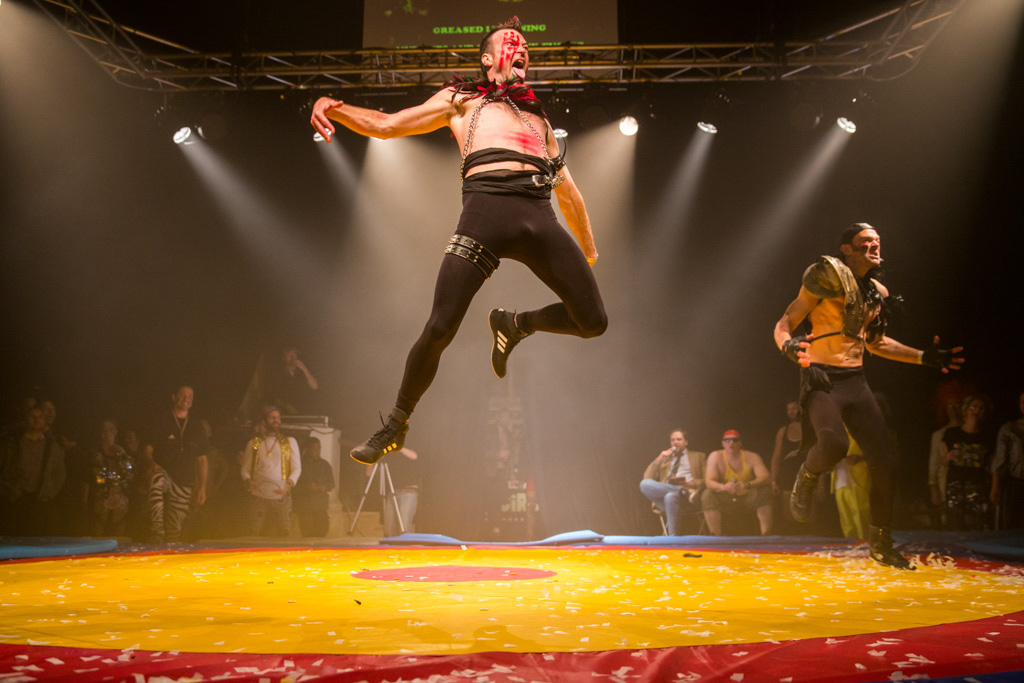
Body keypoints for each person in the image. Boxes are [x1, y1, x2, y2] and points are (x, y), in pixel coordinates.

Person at [311, 16, 607, 465]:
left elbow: (568, 190)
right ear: (487, 59)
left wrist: (587, 249)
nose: (522, 50)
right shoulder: (461, 100)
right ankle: (395, 426)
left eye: (526, 48)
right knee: (439, 327)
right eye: (512, 44)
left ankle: (516, 324)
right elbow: (387, 125)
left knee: (593, 321)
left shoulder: (537, 117)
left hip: (537, 215)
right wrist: (333, 107)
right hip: (484, 214)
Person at [773, 222, 964, 569]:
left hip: (855, 381)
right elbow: (785, 322)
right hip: (822, 378)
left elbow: (877, 344)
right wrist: (788, 345)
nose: (875, 245)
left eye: (877, 241)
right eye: (866, 241)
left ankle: (881, 544)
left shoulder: (877, 292)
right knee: (834, 445)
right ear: (846, 248)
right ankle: (808, 474)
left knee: (886, 462)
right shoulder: (825, 278)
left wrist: (923, 357)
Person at [145, 385, 209, 543]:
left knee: (174, 530)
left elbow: (202, 459)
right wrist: (151, 462)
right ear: (174, 397)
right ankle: (157, 528)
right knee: (157, 480)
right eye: (183, 395)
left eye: (190, 396)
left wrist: (202, 487)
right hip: (165, 472)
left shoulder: (196, 425)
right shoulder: (162, 420)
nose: (187, 398)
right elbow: (148, 448)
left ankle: (169, 547)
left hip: (184, 480)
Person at [0, 406, 66, 536]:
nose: (36, 420)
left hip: (40, 503)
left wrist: (48, 494)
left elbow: (61, 474)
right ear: (26, 419)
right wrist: (9, 491)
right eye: (32, 417)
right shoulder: (12, 444)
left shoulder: (52, 447)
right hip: (15, 502)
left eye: (40, 417)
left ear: (44, 421)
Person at [242, 406, 301, 537]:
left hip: (281, 494)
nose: (276, 420)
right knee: (254, 532)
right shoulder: (254, 443)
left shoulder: (289, 442)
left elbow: (297, 468)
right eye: (272, 418)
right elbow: (245, 469)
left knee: (284, 532)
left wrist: (288, 485)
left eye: (278, 417)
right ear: (264, 421)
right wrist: (249, 482)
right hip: (259, 495)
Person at [701, 430, 772, 535]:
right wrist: (724, 487)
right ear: (723, 443)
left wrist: (746, 485)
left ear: (740, 443)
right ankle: (715, 536)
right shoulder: (715, 456)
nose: (731, 443)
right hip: (726, 498)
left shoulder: (752, 457)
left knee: (765, 491)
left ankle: (766, 534)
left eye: (735, 440)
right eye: (727, 440)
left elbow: (765, 477)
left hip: (747, 497)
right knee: (707, 494)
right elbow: (709, 482)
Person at [941, 394, 994, 531]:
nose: (977, 411)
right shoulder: (951, 433)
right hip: (956, 484)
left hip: (978, 485)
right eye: (974, 407)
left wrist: (994, 487)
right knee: (955, 523)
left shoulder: (987, 436)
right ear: (966, 410)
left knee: (978, 522)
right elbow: (943, 461)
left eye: (981, 409)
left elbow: (992, 464)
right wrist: (948, 457)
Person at [639, 429, 707, 535]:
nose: (675, 442)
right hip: (667, 498)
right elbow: (647, 477)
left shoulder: (699, 456)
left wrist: (690, 484)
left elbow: (707, 480)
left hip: (690, 499)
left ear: (686, 442)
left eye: (679, 439)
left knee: (670, 496)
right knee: (644, 484)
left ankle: (672, 538)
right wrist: (659, 459)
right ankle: (682, 490)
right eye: (673, 440)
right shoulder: (665, 459)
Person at [89, 419, 135, 537]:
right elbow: (100, 478)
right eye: (105, 430)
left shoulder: (122, 454)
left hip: (121, 506)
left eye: (111, 430)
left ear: (116, 432)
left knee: (119, 536)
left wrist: (122, 454)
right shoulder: (97, 455)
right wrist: (118, 478)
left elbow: (130, 473)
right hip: (101, 504)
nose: (109, 433)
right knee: (99, 535)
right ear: (101, 434)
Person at [368, 446, 421, 537]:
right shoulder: (387, 454)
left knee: (404, 527)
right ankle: (391, 546)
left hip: (408, 493)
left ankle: (405, 546)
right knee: (389, 529)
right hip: (392, 493)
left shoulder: (406, 445)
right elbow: (369, 473)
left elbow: (414, 456)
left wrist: (398, 446)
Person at [991, 390, 1024, 529]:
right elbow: (1000, 459)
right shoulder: (1010, 429)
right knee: (1013, 525)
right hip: (1016, 485)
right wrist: (995, 486)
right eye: (1023, 402)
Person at [293, 436, 335, 537]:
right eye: (314, 449)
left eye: (319, 449)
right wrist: (306, 487)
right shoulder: (299, 465)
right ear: (307, 450)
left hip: (320, 506)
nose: (318, 452)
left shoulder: (324, 465)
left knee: (322, 530)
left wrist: (323, 487)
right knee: (307, 533)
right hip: (305, 507)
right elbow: (293, 486)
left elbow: (331, 483)